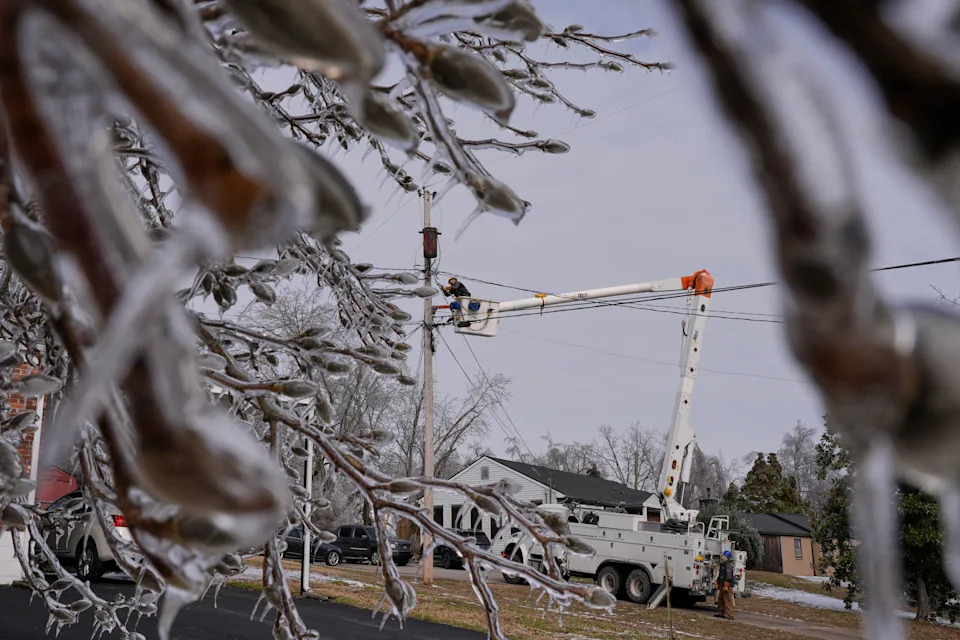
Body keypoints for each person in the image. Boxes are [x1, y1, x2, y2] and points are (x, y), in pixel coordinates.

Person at [715, 550, 736, 620]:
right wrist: (718, 582)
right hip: (722, 585)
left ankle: (730, 614)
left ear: (727, 557)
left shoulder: (728, 565)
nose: (722, 557)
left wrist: (726, 584)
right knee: (721, 599)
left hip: (727, 585)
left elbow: (728, 576)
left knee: (728, 599)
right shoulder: (722, 565)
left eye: (724, 556)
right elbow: (721, 575)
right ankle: (721, 612)